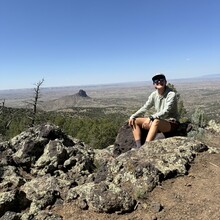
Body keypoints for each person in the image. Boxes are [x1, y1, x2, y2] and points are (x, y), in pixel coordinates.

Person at [128, 73, 179, 148]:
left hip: (171, 123)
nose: (159, 82)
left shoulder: (171, 94)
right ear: (154, 84)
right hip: (159, 120)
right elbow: (145, 107)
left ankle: (145, 147)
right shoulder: (154, 95)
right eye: (156, 81)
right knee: (135, 121)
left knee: (156, 121)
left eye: (161, 79)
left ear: (165, 82)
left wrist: (151, 117)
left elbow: (166, 111)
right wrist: (133, 116)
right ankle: (138, 147)